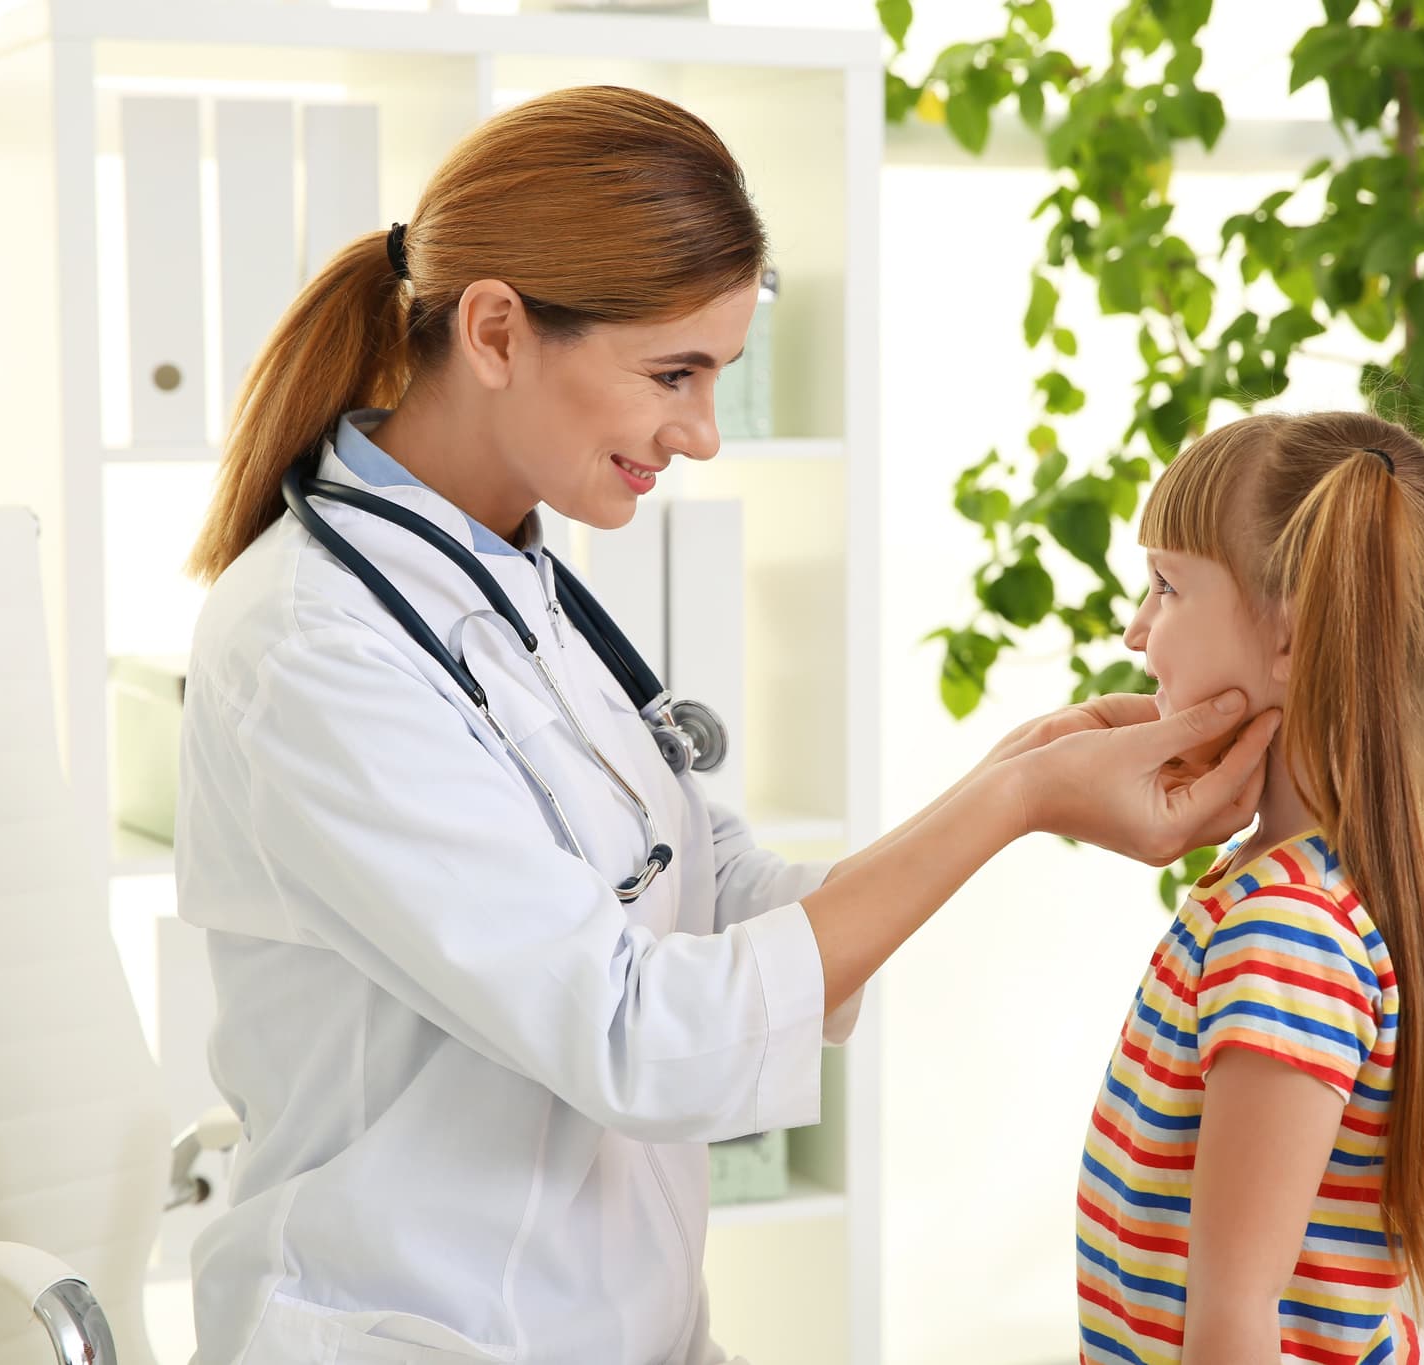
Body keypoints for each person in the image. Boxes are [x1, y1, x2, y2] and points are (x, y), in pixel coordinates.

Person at [174, 84, 1281, 1365]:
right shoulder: (316, 647)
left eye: (717, 378)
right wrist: (1013, 806)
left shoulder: (512, 575)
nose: (699, 433)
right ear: (494, 329)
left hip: (622, 1328)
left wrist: (1015, 775)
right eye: (671, 374)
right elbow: (634, 1032)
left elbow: (712, 901)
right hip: (424, 1333)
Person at [1073, 411, 1424, 1364]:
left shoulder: (1285, 933)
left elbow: (1235, 1315)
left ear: (1293, 636)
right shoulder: (1281, 888)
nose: (1136, 629)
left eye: (1167, 586)